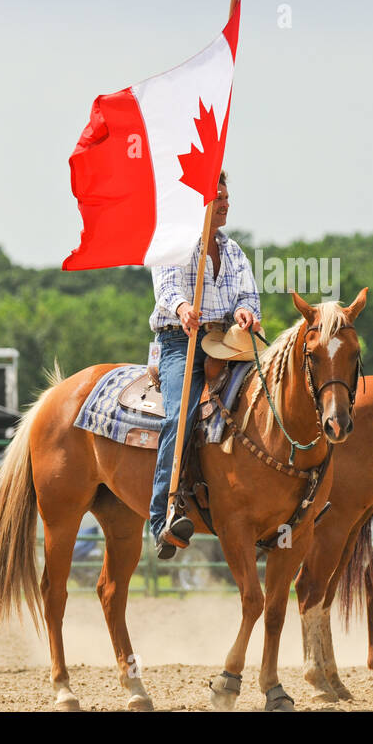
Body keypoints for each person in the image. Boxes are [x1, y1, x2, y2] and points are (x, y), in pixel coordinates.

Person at [149, 172, 260, 558]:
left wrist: (246, 312)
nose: (226, 203)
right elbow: (166, 289)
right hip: (182, 341)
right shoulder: (175, 244)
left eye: (227, 196)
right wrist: (182, 308)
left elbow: (248, 294)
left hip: (225, 341)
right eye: (218, 197)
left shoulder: (235, 252)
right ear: (198, 204)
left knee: (266, 399)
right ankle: (162, 516)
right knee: (180, 416)